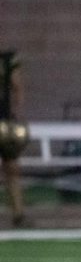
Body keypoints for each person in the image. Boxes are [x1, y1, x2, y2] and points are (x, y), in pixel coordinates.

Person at [0, 49, 28, 228]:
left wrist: (15, 114)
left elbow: (17, 87)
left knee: (12, 166)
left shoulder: (7, 59)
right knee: (11, 167)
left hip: (4, 119)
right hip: (5, 120)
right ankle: (18, 214)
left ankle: (18, 214)